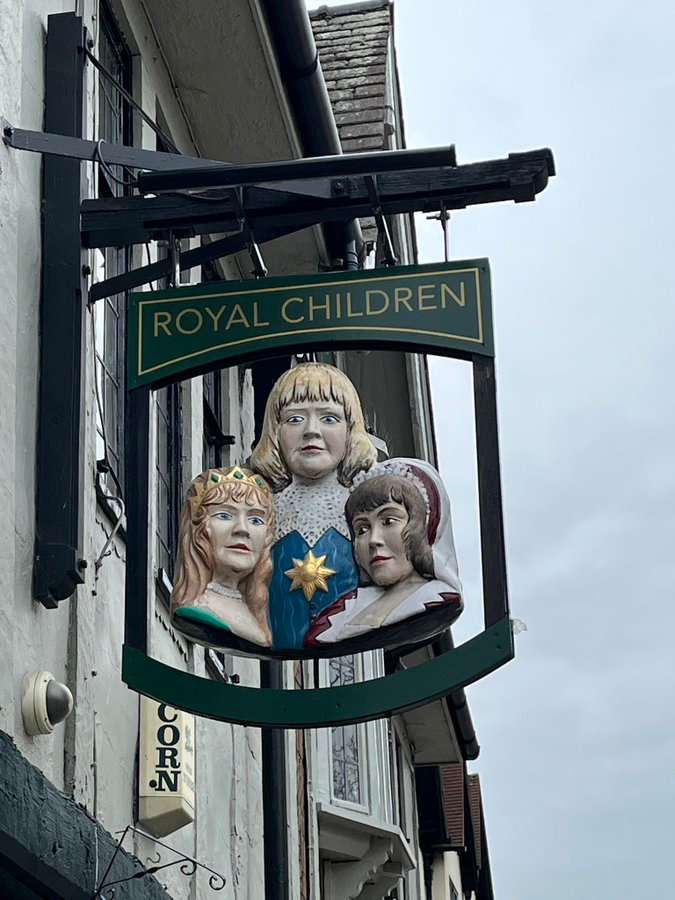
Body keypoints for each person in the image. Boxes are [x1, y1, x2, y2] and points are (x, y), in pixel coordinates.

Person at [250, 362, 377, 649]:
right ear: (275, 431)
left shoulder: (368, 510)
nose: (311, 431)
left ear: (351, 429)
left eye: (329, 418)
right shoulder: (260, 509)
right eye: (295, 419)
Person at [304, 458, 463, 649]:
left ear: (421, 526)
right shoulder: (340, 612)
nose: (373, 540)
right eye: (362, 530)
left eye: (388, 521)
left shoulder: (436, 598)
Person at [171, 466, 275, 648]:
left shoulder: (262, 619)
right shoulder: (200, 610)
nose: (242, 529)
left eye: (256, 520)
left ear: (268, 536)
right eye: (225, 515)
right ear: (200, 529)